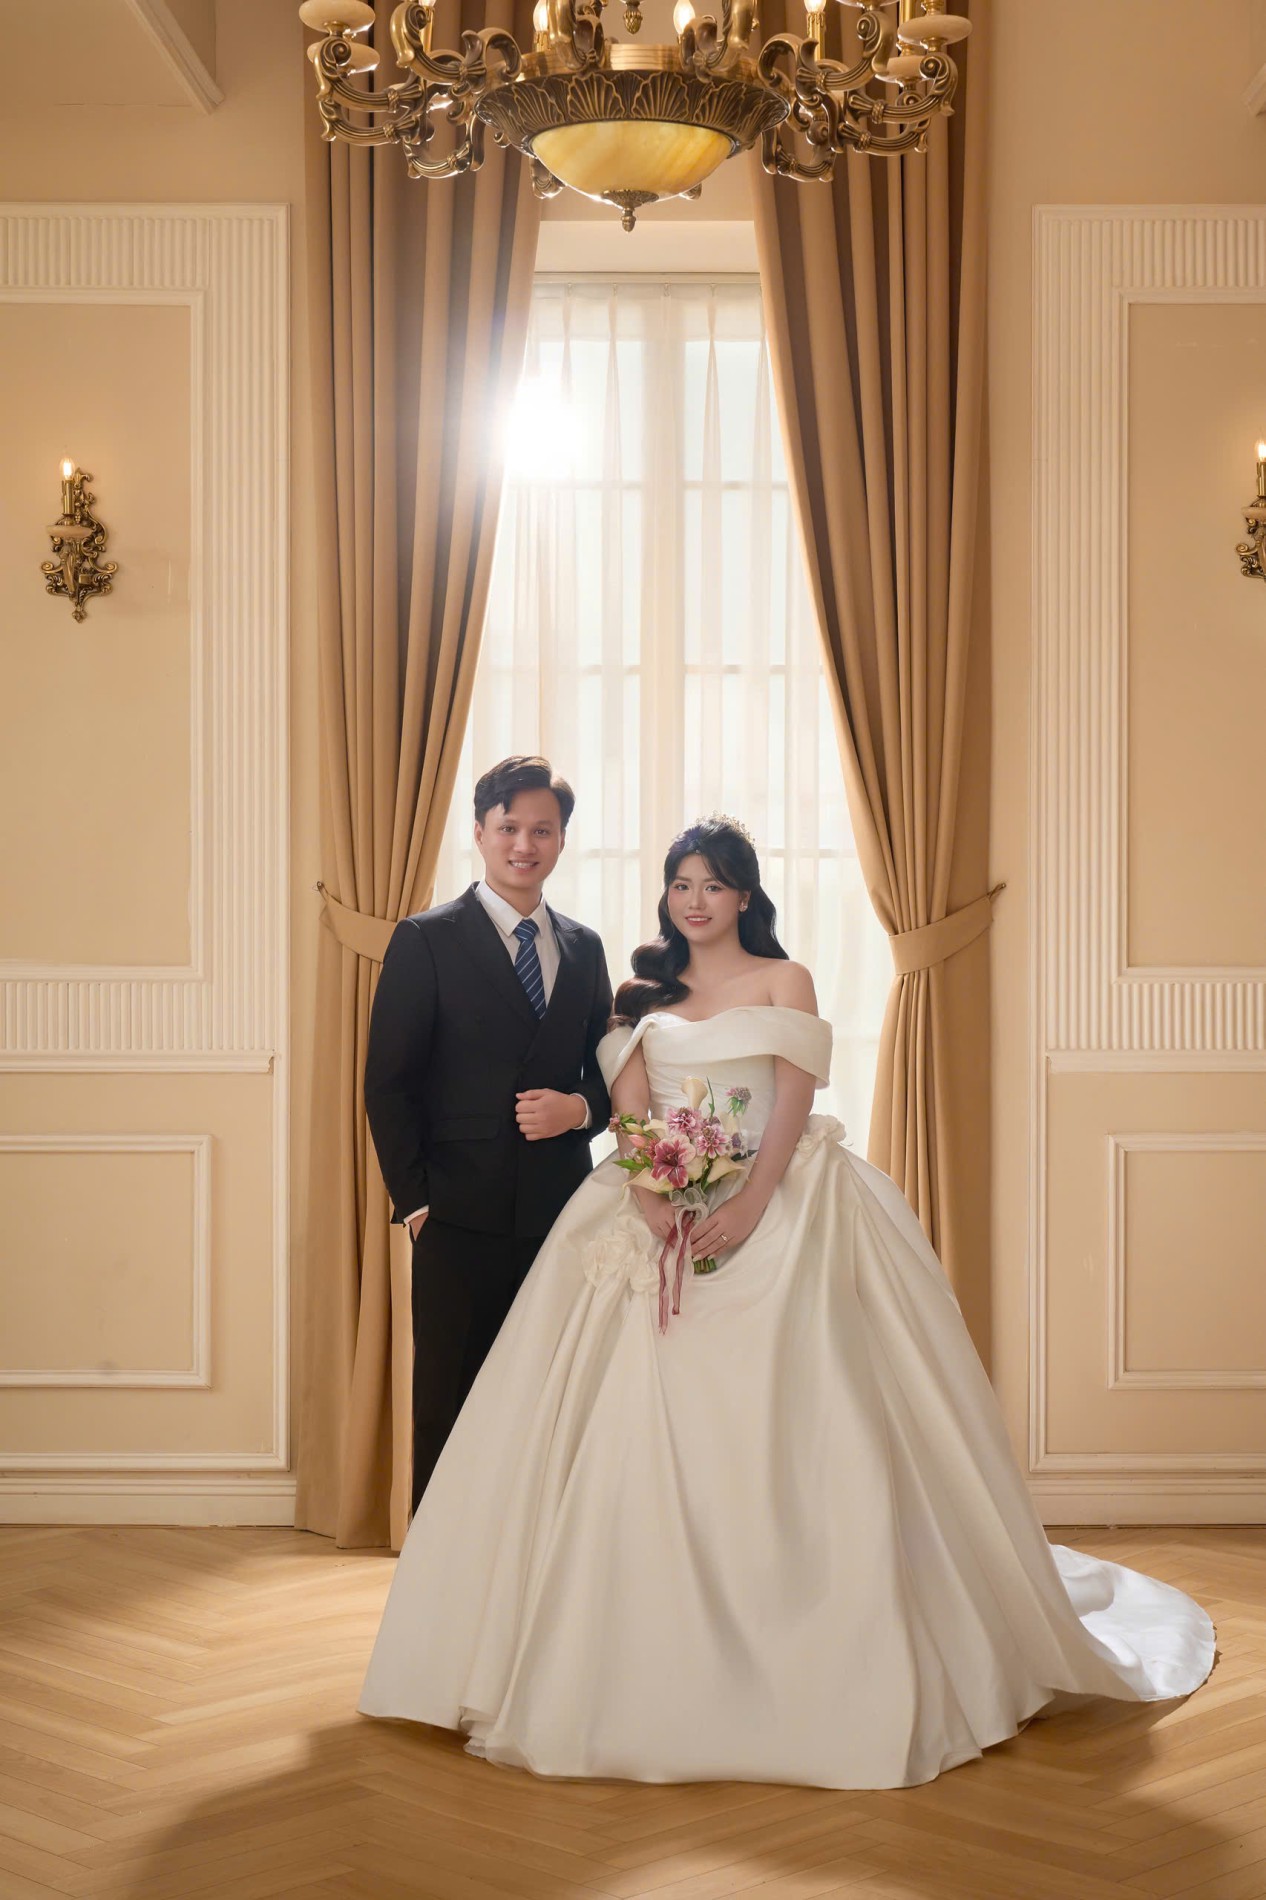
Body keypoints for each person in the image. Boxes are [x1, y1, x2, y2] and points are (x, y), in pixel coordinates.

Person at [359, 816, 1216, 1790]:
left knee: (816, 1408)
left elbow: (793, 1103)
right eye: (682, 883)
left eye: (713, 884)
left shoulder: (785, 980)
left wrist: (749, 1205)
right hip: (656, 1210)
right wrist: (652, 1197)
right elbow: (632, 1114)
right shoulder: (637, 992)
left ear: (743, 895)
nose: (695, 900)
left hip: (780, 1200)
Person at [364, 755, 613, 1511]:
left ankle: (531, 1566)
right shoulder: (425, 939)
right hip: (456, 1217)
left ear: (562, 839)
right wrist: (417, 1205)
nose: (524, 844)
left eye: (543, 830)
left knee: (547, 1400)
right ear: (479, 832)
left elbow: (610, 1077)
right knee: (449, 1404)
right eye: (509, 827)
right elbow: (388, 1083)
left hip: (561, 1215)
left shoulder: (585, 947)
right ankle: (438, 1578)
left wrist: (579, 1111)